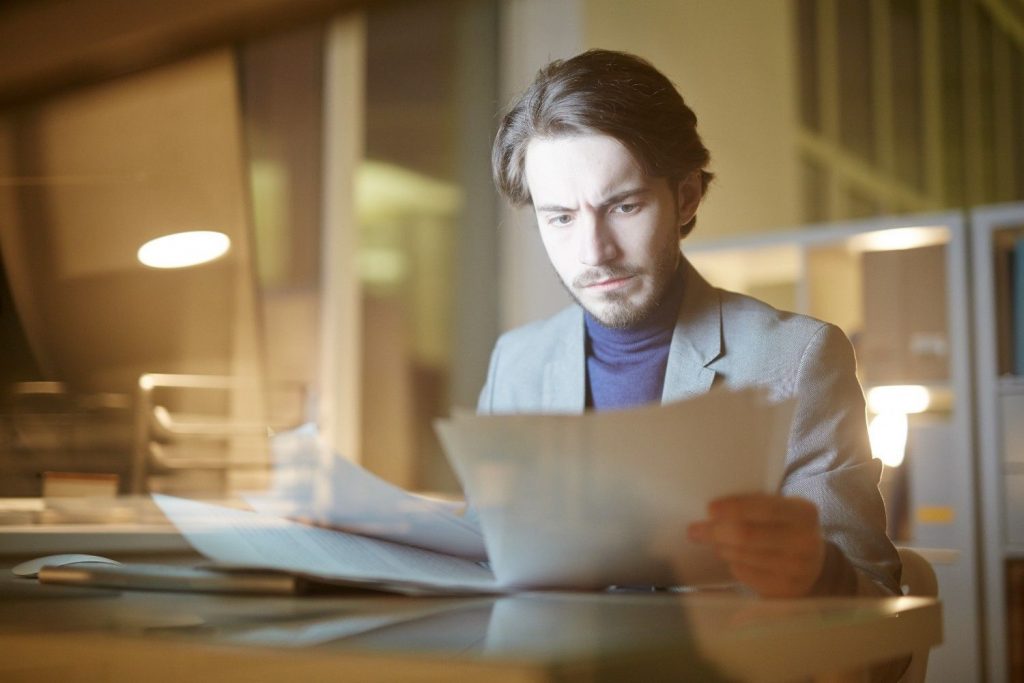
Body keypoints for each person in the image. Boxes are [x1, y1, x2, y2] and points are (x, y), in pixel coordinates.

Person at [479, 49, 901, 598]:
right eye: (559, 217)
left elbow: (880, 611)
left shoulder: (798, 360)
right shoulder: (516, 364)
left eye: (624, 206)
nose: (593, 252)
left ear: (685, 197)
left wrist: (820, 573)